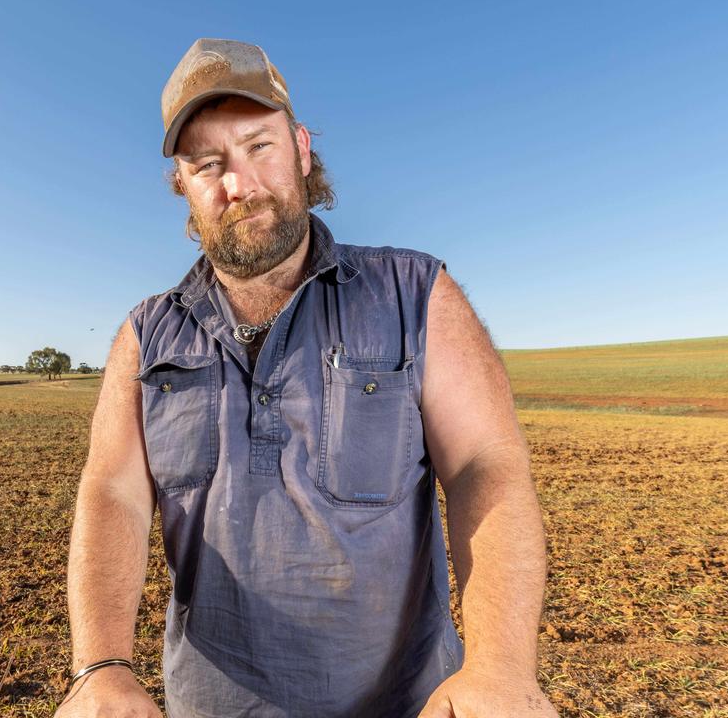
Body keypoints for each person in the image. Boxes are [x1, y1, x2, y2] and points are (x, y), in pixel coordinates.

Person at [55, 38, 556, 718]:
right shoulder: (146, 335)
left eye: (259, 147)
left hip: (405, 705)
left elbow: (484, 466)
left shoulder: (416, 293)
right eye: (208, 164)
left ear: (301, 147)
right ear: (183, 185)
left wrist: (499, 668)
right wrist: (102, 668)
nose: (240, 185)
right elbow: (112, 492)